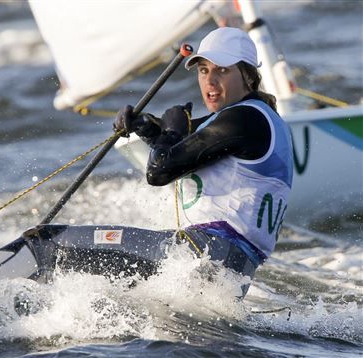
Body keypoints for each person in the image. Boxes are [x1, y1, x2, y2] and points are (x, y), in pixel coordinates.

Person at [114, 27, 293, 297]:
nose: (210, 81)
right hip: (229, 267)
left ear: (247, 75)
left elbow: (159, 172)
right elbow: (180, 149)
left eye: (222, 70)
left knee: (50, 243)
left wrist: (171, 133)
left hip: (207, 250)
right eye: (203, 70)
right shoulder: (250, 118)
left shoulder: (244, 120)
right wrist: (147, 128)